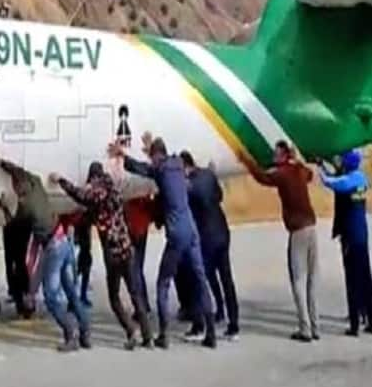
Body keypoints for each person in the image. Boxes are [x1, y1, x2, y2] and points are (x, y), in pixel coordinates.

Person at [111, 137, 216, 349]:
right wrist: (150, 147)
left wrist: (122, 155)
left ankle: (164, 334)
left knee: (163, 283)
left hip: (176, 232)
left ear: (156, 155)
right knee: (200, 278)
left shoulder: (161, 170)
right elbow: (160, 162)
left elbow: (141, 168)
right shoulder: (177, 164)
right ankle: (211, 332)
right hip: (191, 229)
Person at [0, 152, 91, 352]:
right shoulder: (35, 182)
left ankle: (71, 334)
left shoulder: (27, 207)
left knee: (51, 296)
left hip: (54, 247)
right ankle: (85, 331)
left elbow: (13, 222)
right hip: (64, 241)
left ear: (20, 192)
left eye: (17, 191)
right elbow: (18, 171)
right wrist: (1, 163)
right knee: (70, 290)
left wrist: (3, 207)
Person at [51, 162, 153, 350]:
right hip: (127, 249)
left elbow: (80, 196)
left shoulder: (97, 194)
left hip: (113, 254)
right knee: (135, 293)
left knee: (114, 297)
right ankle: (148, 336)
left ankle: (131, 330)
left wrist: (61, 181)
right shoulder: (114, 189)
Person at [245, 140, 320, 342]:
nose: (273, 157)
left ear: (283, 156)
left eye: (276, 154)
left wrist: (247, 161)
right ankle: (315, 325)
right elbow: (310, 174)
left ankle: (305, 329)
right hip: (312, 226)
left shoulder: (282, 173)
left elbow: (262, 178)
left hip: (298, 230)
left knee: (298, 279)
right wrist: (297, 160)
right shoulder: (297, 170)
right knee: (312, 279)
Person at [180, 150, 240, 340]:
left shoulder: (190, 185)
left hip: (207, 237)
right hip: (222, 232)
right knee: (226, 279)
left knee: (200, 280)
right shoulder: (209, 175)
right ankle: (233, 324)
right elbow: (219, 196)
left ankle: (200, 325)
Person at [318, 150, 372, 336]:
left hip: (350, 237)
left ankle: (354, 325)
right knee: (366, 278)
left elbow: (330, 182)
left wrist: (319, 168)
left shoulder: (347, 182)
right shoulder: (362, 179)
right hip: (362, 235)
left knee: (352, 280)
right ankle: (371, 320)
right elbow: (340, 176)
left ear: (347, 165)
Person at [0, 200, 35, 318]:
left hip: (14, 236)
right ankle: (25, 304)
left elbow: (11, 222)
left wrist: (4, 208)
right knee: (20, 268)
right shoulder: (28, 212)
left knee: (14, 268)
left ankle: (21, 305)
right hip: (21, 233)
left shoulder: (21, 213)